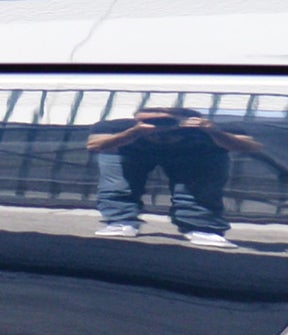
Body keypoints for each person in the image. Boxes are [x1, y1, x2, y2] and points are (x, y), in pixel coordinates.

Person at [86, 106, 279, 247]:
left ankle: (202, 227)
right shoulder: (119, 126)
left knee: (200, 188)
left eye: (166, 121)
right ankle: (120, 221)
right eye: (146, 120)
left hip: (194, 155)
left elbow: (250, 147)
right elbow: (94, 145)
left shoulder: (208, 129)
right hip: (131, 153)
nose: (156, 126)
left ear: (188, 120)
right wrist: (134, 132)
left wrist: (212, 131)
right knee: (118, 184)